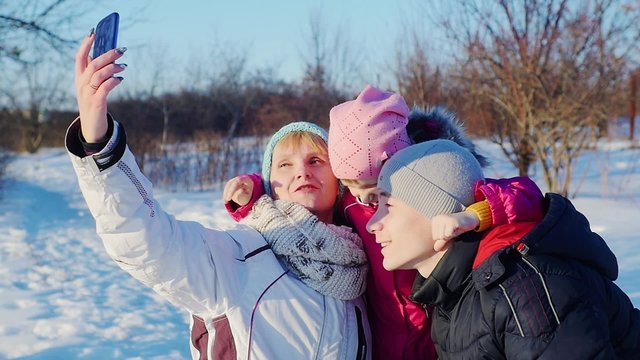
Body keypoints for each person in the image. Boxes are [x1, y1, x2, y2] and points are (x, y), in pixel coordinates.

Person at [69, 31, 372, 360]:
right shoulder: (241, 256)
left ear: (339, 179)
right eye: (285, 164)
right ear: (270, 183)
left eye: (316, 161)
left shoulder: (359, 266)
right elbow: (147, 241)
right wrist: (99, 144)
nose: (302, 171)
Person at [224, 85, 545, 359]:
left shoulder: (434, 187)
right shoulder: (349, 206)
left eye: (375, 189)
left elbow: (523, 194)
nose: (363, 198)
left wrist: (478, 212)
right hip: (383, 343)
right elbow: (303, 215)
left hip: (442, 337)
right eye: (349, 185)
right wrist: (255, 194)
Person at [366, 139, 640, 359]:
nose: (372, 224)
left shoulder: (526, 289)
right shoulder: (453, 291)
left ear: (440, 213)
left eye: (387, 206)